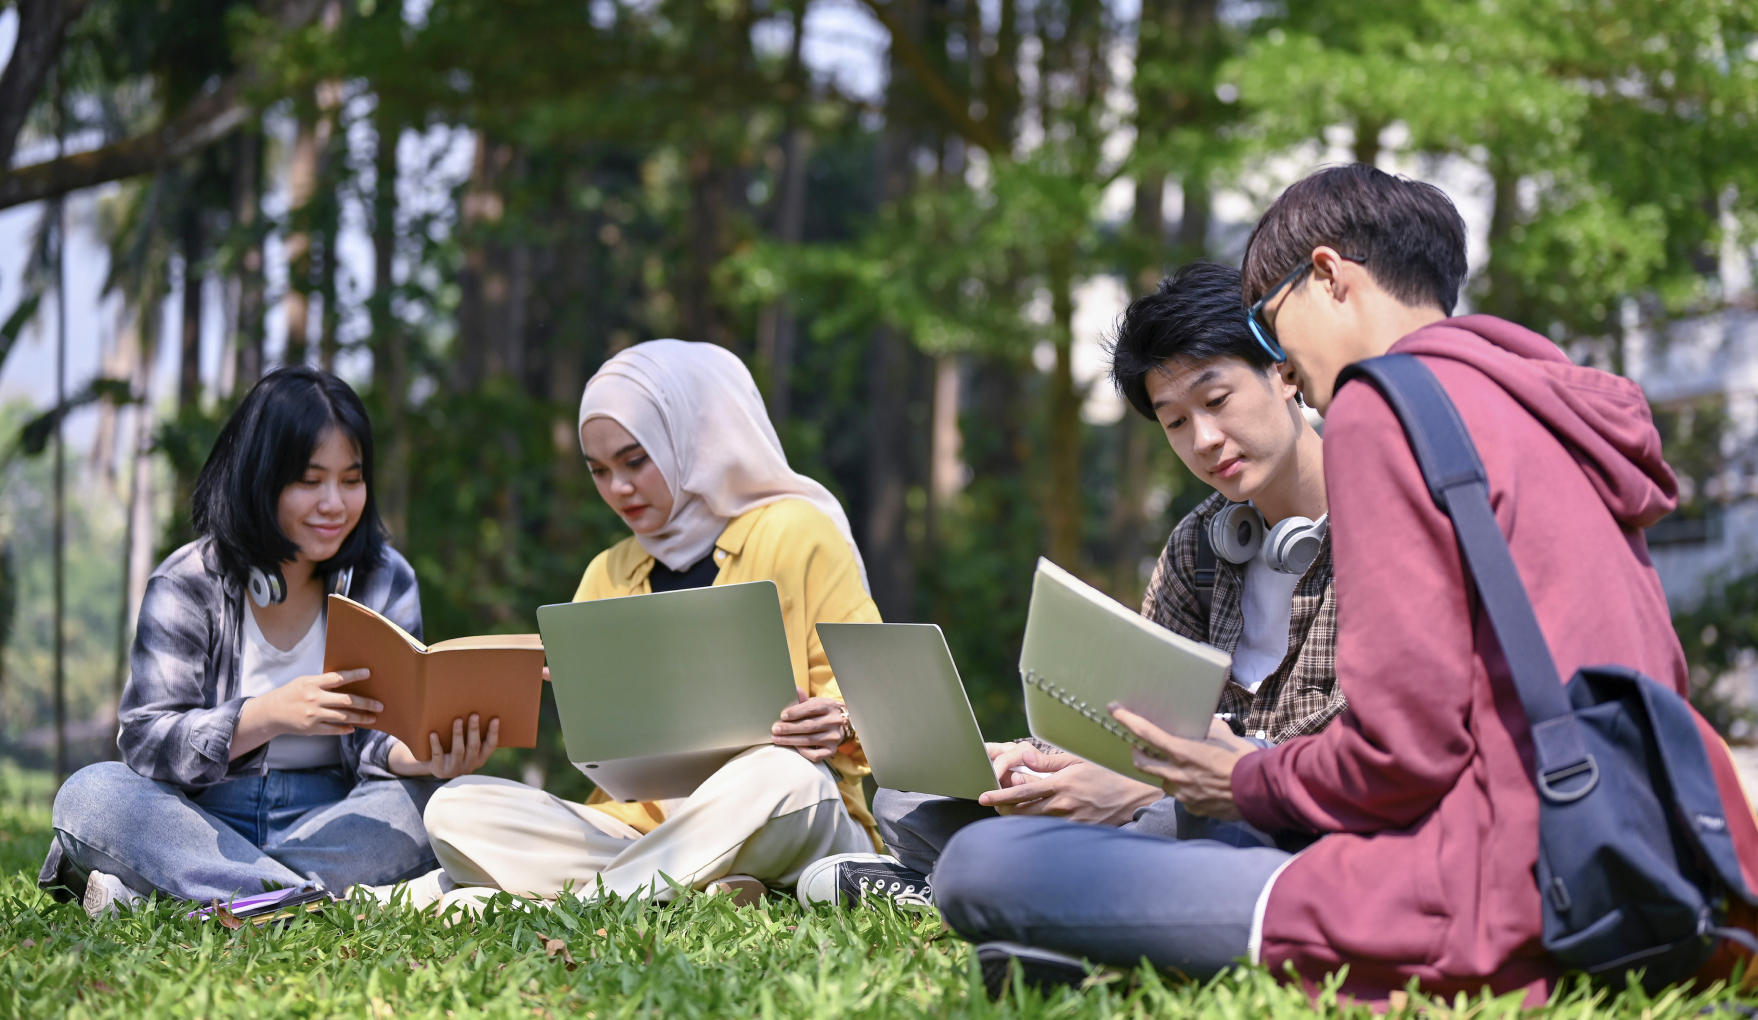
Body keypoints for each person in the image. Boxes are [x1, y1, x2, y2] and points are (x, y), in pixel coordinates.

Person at [932, 164, 1691, 1002]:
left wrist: (1240, 781)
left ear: (1328, 276)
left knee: (982, 864)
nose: (1278, 350)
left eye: (1268, 322)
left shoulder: (1382, 406)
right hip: (1631, 858)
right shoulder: (1546, 406)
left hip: (1479, 895)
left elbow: (1405, 754)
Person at [798, 262, 1346, 907]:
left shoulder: (1388, 520)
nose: (1204, 440)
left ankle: (976, 882)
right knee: (909, 794)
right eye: (1174, 422)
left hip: (1282, 816)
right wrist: (1025, 764)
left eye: (1217, 400)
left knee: (1204, 820)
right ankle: (1016, 877)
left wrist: (1151, 787)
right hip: (1165, 809)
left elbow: (1366, 763)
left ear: (1283, 372)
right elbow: (1131, 723)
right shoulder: (1199, 546)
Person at [420, 339, 880, 911]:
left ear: (688, 438)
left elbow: (882, 703)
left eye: (635, 461)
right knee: (456, 808)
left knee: (780, 777)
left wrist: (835, 720)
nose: (619, 489)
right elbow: (608, 759)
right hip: (643, 831)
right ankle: (697, 889)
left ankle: (577, 906)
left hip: (795, 810)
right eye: (599, 471)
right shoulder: (607, 572)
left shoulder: (797, 532)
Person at [44, 367, 497, 919]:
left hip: (335, 815)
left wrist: (423, 753)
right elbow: (145, 741)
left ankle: (202, 895)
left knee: (436, 803)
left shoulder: (384, 577)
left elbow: (382, 738)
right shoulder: (188, 580)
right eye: (309, 481)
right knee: (91, 794)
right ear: (260, 477)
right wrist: (264, 716)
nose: (335, 503)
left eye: (351, 480)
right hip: (201, 819)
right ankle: (301, 898)